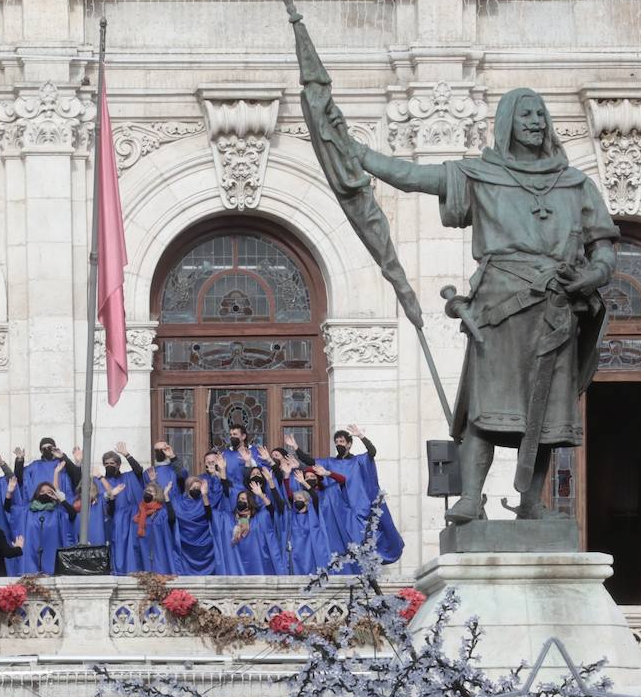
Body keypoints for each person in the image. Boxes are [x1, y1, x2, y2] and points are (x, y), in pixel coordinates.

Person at [349, 87, 618, 523]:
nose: (535, 122)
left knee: (546, 413)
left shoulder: (577, 185)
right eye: (525, 115)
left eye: (540, 114)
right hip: (501, 306)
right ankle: (472, 498)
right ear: (507, 122)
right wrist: (358, 154)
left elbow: (604, 248)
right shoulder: (481, 176)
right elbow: (413, 177)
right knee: (486, 407)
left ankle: (531, 502)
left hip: (556, 307)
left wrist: (591, 274)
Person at [324, 426, 405, 563]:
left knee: (364, 538)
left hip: (359, 506)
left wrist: (361, 436)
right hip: (340, 508)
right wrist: (296, 449)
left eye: (342, 441)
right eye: (336, 442)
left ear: (349, 444)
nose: (339, 444)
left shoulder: (359, 460)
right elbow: (310, 463)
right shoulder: (330, 462)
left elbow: (372, 452)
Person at [99, 443, 149, 575]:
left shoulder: (128, 476)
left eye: (112, 462)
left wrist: (126, 454)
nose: (109, 465)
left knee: (135, 547)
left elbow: (138, 471)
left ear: (118, 465)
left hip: (134, 518)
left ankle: (138, 573)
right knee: (118, 549)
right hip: (115, 520)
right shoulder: (99, 481)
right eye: (106, 463)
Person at [11, 478, 77, 575]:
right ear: (37, 494)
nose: (45, 493)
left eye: (49, 492)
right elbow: (9, 510)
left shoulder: (59, 512)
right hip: (31, 557)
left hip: (52, 559)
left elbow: (72, 514)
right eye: (42, 491)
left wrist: (62, 500)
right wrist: (9, 493)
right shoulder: (26, 511)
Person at [220, 478, 283, 575]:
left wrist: (261, 495)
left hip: (257, 563)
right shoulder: (230, 519)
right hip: (238, 562)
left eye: (244, 499)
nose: (241, 501)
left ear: (250, 502)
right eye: (239, 499)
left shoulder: (259, 518)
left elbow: (270, 509)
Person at [167, 473, 218, 575]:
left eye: (198, 488)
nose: (196, 489)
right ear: (187, 488)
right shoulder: (177, 501)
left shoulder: (205, 500)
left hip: (205, 543)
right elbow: (171, 518)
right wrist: (166, 497)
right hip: (184, 544)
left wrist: (204, 495)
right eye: (193, 487)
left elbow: (210, 516)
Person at [128, 481, 178, 574]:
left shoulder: (161, 513)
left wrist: (166, 496)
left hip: (158, 553)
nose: (148, 493)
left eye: (151, 492)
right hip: (143, 552)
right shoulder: (139, 513)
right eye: (146, 491)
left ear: (157, 495)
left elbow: (172, 519)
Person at [220, 424, 273, 489]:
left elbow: (266, 471)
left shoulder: (256, 451)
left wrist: (250, 461)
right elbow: (222, 475)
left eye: (235, 434)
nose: (232, 437)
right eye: (230, 435)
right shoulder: (225, 454)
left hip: (253, 491)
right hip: (233, 492)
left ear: (243, 436)